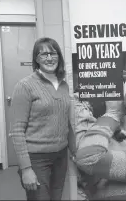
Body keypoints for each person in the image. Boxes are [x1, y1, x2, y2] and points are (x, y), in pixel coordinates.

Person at [9, 37, 76, 201]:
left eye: (53, 53)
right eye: (43, 54)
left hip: (60, 156)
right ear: (36, 59)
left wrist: (74, 151)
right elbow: (16, 131)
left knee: (56, 197)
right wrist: (26, 169)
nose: (49, 58)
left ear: (58, 56)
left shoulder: (63, 85)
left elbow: (66, 122)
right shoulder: (25, 86)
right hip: (36, 159)